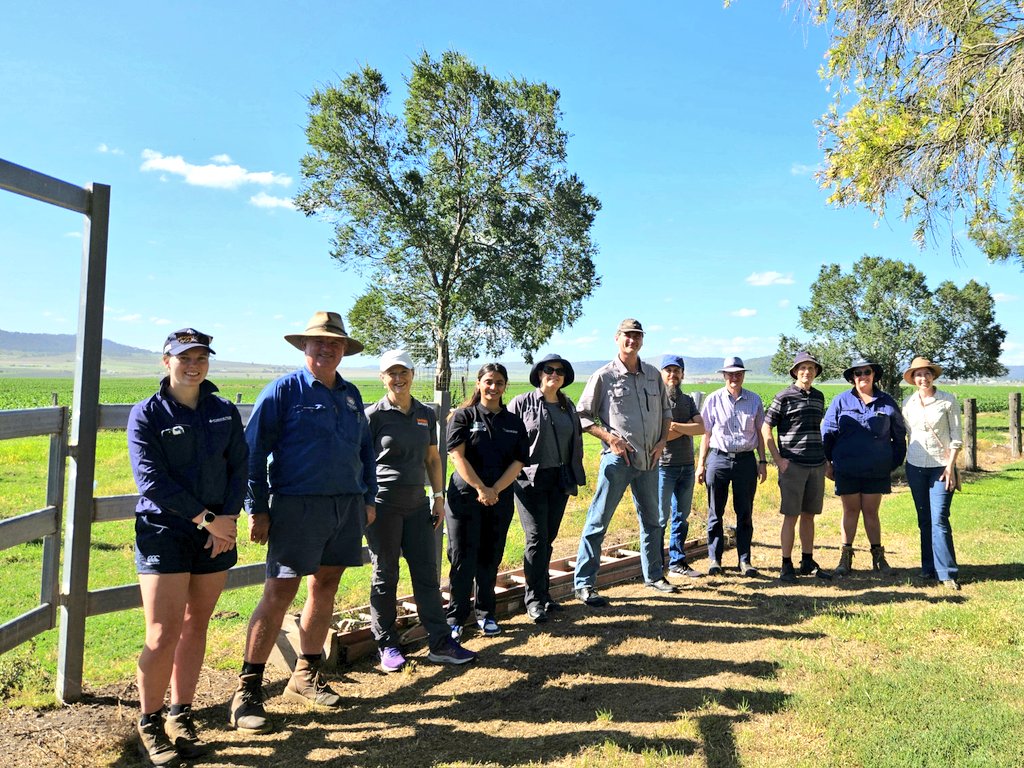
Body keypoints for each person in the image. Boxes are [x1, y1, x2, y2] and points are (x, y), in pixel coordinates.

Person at [229, 311, 376, 734]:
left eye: (335, 343)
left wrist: (367, 498)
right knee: (279, 591)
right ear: (304, 347)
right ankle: (248, 690)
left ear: (344, 350)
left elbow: (364, 451)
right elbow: (252, 453)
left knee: (326, 585)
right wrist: (257, 508)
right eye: (319, 342)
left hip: (345, 507)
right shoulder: (282, 392)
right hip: (297, 506)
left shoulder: (350, 395)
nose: (327, 348)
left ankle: (306, 676)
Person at [127, 328, 247, 764]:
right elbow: (152, 482)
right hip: (166, 531)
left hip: (217, 532)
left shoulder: (222, 411)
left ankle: (181, 714)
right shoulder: (146, 414)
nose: (193, 364)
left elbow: (240, 466)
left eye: (201, 357)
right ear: (166, 361)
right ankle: (150, 722)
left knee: (198, 624)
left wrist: (228, 520)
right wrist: (210, 522)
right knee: (162, 632)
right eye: (184, 357)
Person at [364, 350, 476, 669]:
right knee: (385, 575)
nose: (398, 379)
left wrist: (439, 498)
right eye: (391, 374)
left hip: (417, 505)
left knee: (426, 574)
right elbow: (360, 463)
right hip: (383, 506)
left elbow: (433, 459)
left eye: (403, 373)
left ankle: (440, 642)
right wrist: (365, 503)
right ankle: (387, 645)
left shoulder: (425, 413)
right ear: (382, 378)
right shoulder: (373, 416)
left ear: (412, 375)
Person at [573, 318, 673, 607]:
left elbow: (666, 413)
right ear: (617, 339)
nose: (633, 340)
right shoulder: (604, 376)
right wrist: (609, 438)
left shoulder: (653, 375)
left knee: (653, 521)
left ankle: (654, 576)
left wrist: (662, 441)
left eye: (637, 336)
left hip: (649, 462)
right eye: (627, 336)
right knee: (598, 521)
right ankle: (584, 585)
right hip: (617, 461)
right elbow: (582, 416)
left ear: (642, 340)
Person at [445, 363, 530, 638]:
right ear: (479, 384)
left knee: (490, 557)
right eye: (489, 382)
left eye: (499, 383)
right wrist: (481, 488)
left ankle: (486, 614)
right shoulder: (463, 416)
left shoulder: (513, 423)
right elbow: (457, 456)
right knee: (462, 558)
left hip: (499, 499)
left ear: (506, 386)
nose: (494, 388)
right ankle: (455, 618)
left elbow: (518, 462)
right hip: (465, 498)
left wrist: (495, 490)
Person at [508, 354, 586, 623]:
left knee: (548, 537)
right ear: (539, 374)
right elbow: (506, 438)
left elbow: (575, 442)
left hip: (560, 478)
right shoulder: (521, 403)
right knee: (536, 537)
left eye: (560, 371)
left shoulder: (568, 406)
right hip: (529, 479)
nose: (554, 374)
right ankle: (533, 599)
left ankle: (544, 594)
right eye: (549, 370)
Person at [822, 357, 907, 576]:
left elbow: (899, 435)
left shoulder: (886, 402)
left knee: (871, 512)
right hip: (847, 467)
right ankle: (845, 558)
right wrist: (828, 462)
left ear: (874, 375)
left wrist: (892, 462)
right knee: (850, 511)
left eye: (866, 372)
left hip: (876, 469)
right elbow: (828, 433)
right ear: (852, 377)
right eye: (857, 373)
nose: (862, 376)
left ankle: (878, 558)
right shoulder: (841, 401)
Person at [761, 351, 831, 583]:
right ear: (794, 372)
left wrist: (825, 461)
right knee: (790, 516)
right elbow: (765, 428)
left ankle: (807, 561)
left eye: (811, 368)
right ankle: (786, 564)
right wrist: (778, 460)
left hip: (816, 464)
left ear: (816, 372)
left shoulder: (820, 397)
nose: (807, 372)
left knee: (809, 516)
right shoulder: (784, 397)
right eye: (802, 368)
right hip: (793, 465)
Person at [696, 357, 767, 576]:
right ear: (724, 375)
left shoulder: (754, 400)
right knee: (715, 512)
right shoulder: (713, 400)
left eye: (738, 374)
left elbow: (761, 434)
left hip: (746, 460)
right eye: (730, 374)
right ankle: (714, 560)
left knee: (744, 512)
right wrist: (701, 465)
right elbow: (706, 434)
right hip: (718, 459)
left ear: (743, 375)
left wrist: (762, 462)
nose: (734, 377)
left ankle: (744, 561)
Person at [901, 356, 963, 590]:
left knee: (939, 518)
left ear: (933, 376)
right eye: (918, 374)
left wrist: (951, 466)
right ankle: (928, 567)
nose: (923, 378)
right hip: (915, 466)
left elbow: (957, 436)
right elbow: (908, 433)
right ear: (913, 379)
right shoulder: (908, 403)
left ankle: (947, 572)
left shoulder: (947, 401)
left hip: (941, 467)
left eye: (927, 373)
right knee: (924, 518)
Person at [656, 355, 705, 578]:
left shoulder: (687, 401)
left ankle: (677, 561)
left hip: (687, 465)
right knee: (658, 518)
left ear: (682, 374)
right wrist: (685, 427)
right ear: (662, 374)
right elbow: (660, 436)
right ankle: (656, 565)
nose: (673, 375)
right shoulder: (655, 400)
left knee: (681, 517)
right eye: (668, 370)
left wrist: (674, 426)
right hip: (663, 467)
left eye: (677, 371)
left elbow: (701, 428)